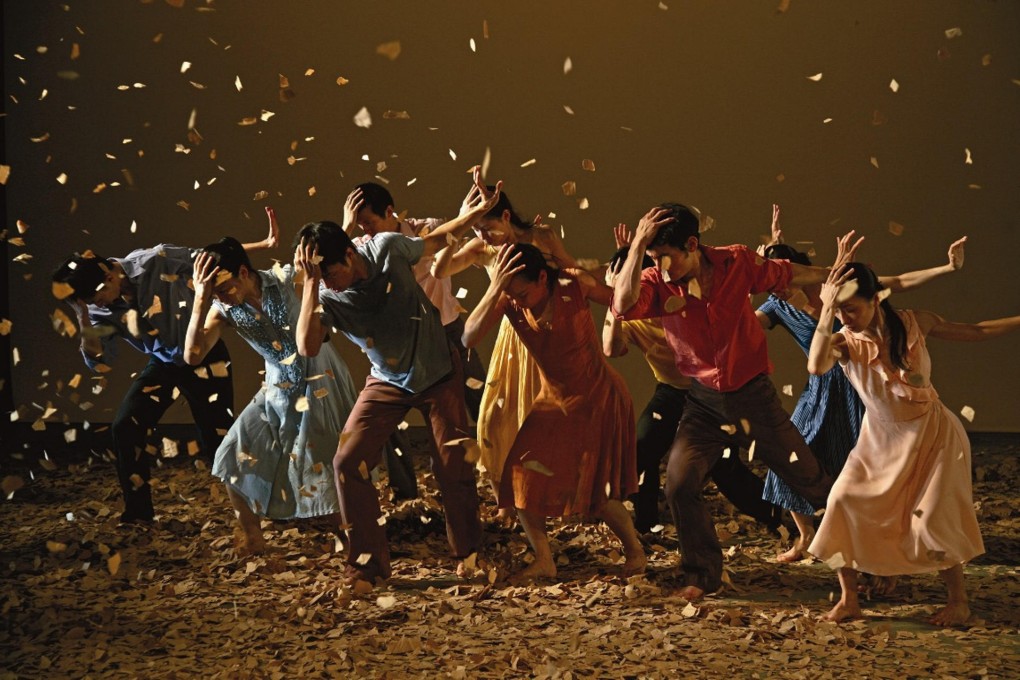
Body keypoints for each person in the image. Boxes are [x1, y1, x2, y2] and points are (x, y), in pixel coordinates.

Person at [612, 202, 843, 600]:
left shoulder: (735, 262)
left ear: (692, 244)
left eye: (667, 255)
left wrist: (836, 275)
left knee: (812, 481)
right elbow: (622, 304)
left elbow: (789, 273)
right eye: (654, 258)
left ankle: (869, 562)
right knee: (679, 485)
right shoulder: (656, 281)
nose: (663, 266)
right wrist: (636, 248)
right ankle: (701, 575)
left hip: (754, 399)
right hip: (702, 404)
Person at [293, 170, 501, 586]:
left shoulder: (387, 247)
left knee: (452, 464)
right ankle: (365, 566)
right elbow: (307, 347)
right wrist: (313, 286)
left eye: (332, 274)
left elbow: (440, 239)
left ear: (350, 255)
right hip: (386, 380)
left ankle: (469, 554)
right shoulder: (326, 294)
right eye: (323, 279)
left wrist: (476, 211)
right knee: (347, 461)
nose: (332, 284)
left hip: (438, 371)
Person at [806, 257, 1018, 626]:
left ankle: (959, 601)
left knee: (932, 520)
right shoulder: (842, 341)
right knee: (842, 503)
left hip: (932, 435)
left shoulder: (913, 322)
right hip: (881, 439)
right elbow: (814, 366)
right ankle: (848, 599)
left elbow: (977, 331)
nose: (845, 317)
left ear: (876, 300)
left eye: (851, 309)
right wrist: (826, 311)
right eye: (839, 311)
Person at [756, 205, 968, 563]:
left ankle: (877, 539)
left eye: (782, 281)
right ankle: (805, 537)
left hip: (860, 386)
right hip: (820, 386)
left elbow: (897, 282)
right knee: (792, 453)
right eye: (770, 284)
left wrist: (947, 268)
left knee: (862, 464)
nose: (778, 290)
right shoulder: (776, 306)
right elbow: (745, 322)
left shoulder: (835, 289)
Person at [50, 211, 278, 524]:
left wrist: (264, 245)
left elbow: (210, 260)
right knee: (125, 426)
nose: (96, 304)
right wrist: (82, 315)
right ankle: (138, 514)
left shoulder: (157, 260)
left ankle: (268, 506)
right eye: (86, 302)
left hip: (204, 354)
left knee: (219, 440)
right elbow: (98, 360)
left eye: (95, 298)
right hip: (165, 361)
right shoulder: (95, 307)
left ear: (109, 277)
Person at [463, 243, 645, 580]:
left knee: (595, 489)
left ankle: (635, 550)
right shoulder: (507, 299)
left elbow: (625, 302)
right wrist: (495, 287)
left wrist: (634, 253)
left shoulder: (573, 284)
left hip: (598, 396)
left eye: (522, 292)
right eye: (511, 293)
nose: (517, 301)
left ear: (543, 278)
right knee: (519, 475)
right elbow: (469, 336)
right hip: (555, 399)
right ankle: (545, 561)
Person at [184, 233, 359, 554]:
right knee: (233, 454)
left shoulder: (284, 280)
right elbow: (193, 355)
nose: (220, 298)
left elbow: (322, 275)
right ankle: (253, 538)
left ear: (244, 274)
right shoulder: (221, 309)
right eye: (214, 293)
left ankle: (351, 540)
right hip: (278, 388)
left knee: (323, 460)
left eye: (223, 289)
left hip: (320, 378)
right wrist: (201, 301)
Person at [603, 228, 782, 536]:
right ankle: (646, 524)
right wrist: (614, 302)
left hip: (710, 391)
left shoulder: (679, 297)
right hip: (671, 392)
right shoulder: (632, 315)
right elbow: (611, 349)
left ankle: (776, 516)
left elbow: (732, 292)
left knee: (724, 466)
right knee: (641, 451)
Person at [433, 190, 580, 515]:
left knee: (551, 418)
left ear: (506, 217)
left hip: (547, 335)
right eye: (475, 229)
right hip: (512, 342)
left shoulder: (541, 237)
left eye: (486, 227)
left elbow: (571, 272)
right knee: (492, 421)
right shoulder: (482, 248)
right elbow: (439, 272)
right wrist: (459, 228)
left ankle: (561, 497)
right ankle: (507, 503)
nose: (482, 235)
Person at [341, 181, 488, 499]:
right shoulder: (362, 248)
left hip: (448, 333)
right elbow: (337, 264)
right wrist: (347, 225)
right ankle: (405, 492)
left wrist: (471, 212)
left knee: (482, 403)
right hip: (400, 346)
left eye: (370, 221)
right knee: (386, 421)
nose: (366, 230)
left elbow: (454, 235)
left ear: (390, 211)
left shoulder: (427, 229)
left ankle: (503, 476)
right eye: (360, 223)